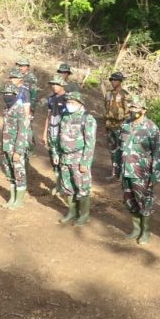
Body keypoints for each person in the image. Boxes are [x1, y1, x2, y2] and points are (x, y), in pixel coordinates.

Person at [118, 96, 160, 245]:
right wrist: (117, 168)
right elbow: (120, 148)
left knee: (144, 202)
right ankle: (136, 229)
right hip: (126, 171)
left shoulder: (151, 128)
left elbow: (157, 152)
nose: (133, 110)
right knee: (130, 201)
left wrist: (155, 175)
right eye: (131, 107)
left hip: (141, 173)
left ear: (144, 110)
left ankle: (145, 233)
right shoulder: (125, 125)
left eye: (136, 108)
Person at [56, 91, 96, 226]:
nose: (69, 105)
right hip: (65, 157)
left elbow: (90, 143)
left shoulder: (87, 119)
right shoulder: (65, 116)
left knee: (82, 187)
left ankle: (84, 215)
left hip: (79, 158)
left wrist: (85, 162)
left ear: (80, 104)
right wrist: (57, 153)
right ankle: (72, 212)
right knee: (67, 186)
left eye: (73, 103)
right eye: (68, 102)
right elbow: (59, 136)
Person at [0, 82, 33, 209]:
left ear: (15, 95)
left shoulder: (19, 109)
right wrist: (3, 148)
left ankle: (19, 201)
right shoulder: (6, 109)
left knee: (19, 173)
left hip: (15, 148)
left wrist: (18, 151)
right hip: (7, 147)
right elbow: (5, 129)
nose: (6, 96)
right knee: (10, 174)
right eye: (5, 94)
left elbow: (22, 131)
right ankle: (12, 198)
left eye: (9, 94)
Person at [42, 75, 68, 195]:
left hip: (63, 133)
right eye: (53, 84)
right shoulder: (51, 98)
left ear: (62, 85)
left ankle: (64, 185)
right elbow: (48, 116)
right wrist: (44, 133)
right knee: (54, 158)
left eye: (56, 84)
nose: (54, 86)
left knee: (64, 159)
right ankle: (57, 184)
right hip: (52, 132)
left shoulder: (67, 99)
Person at [103, 71, 129, 181]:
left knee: (122, 151)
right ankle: (114, 173)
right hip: (110, 126)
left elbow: (128, 112)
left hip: (121, 126)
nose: (113, 82)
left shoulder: (125, 94)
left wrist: (127, 127)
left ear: (120, 81)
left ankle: (122, 174)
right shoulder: (108, 94)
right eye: (112, 80)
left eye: (116, 80)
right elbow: (106, 107)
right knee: (113, 151)